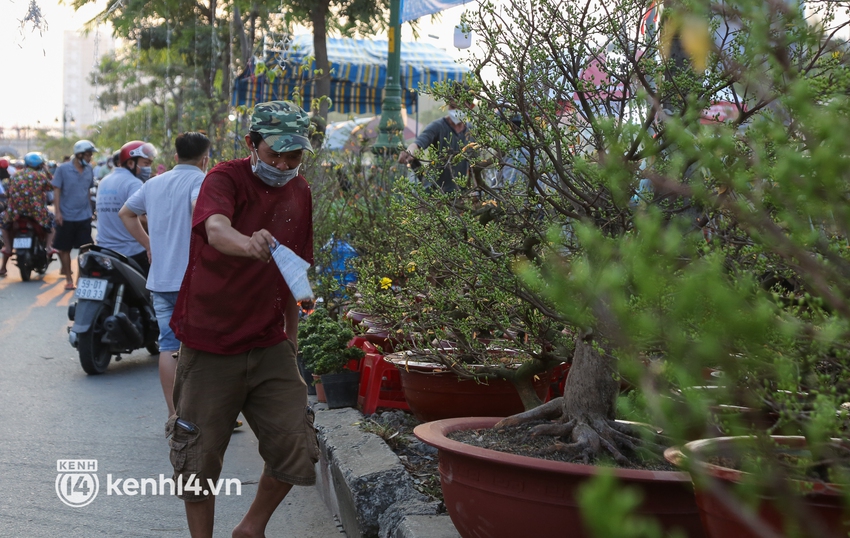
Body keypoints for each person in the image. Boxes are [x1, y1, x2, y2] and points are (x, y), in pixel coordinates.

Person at [168, 100, 317, 538]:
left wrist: (292, 338)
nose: (285, 164)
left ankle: (251, 527)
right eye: (275, 154)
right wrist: (246, 242)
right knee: (198, 459)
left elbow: (295, 269)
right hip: (209, 343)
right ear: (252, 145)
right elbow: (215, 228)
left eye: (295, 156)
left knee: (298, 447)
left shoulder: (301, 191)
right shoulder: (224, 177)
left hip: (270, 343)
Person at [118, 132, 210, 419]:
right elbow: (199, 209)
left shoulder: (153, 183)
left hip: (160, 280)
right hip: (193, 280)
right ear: (205, 159)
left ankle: (174, 414)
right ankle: (204, 413)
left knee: (169, 345)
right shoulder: (201, 181)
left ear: (175, 156)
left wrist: (149, 245)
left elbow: (126, 213)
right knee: (202, 347)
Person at [95, 140, 157, 275]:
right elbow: (143, 220)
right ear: (130, 163)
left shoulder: (105, 180)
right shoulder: (133, 183)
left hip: (103, 249)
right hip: (129, 251)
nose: (149, 169)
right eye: (146, 164)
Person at [398, 97, 474, 193]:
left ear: (470, 107)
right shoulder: (438, 127)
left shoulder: (472, 132)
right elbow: (420, 142)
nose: (456, 111)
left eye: (461, 107)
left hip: (461, 193)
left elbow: (475, 166)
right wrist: (410, 151)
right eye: (453, 106)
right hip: (435, 192)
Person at [0, 153, 56, 276]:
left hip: (15, 212)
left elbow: (8, 193)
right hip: (36, 212)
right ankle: (49, 247)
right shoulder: (41, 176)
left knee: (4, 226)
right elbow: (53, 186)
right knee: (52, 223)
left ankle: (6, 255)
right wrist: (46, 171)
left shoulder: (15, 175)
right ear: (40, 165)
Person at [52, 140, 97, 290]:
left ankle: (80, 278)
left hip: (84, 215)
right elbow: (56, 191)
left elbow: (88, 191)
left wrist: (91, 211)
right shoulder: (63, 169)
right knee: (64, 249)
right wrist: (57, 212)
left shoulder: (89, 169)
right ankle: (69, 279)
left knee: (85, 249)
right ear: (79, 155)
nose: (90, 157)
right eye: (88, 154)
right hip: (65, 216)